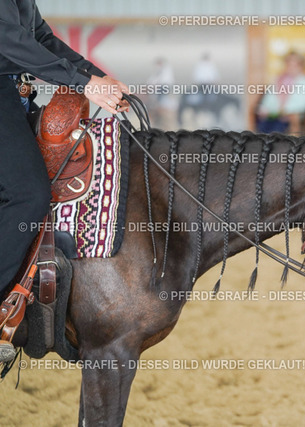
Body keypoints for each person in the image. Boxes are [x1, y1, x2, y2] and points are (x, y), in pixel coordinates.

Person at [0, 0, 129, 362]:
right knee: (28, 195)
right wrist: (83, 83)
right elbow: (9, 40)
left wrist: (97, 78)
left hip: (13, 93)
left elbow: (41, 38)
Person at [256, 51, 305, 134]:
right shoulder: (278, 79)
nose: (291, 67)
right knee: (262, 129)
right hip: (272, 115)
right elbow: (269, 99)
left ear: (301, 66)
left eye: (295, 64)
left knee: (276, 131)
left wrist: (285, 111)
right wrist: (266, 109)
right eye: (289, 63)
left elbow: (303, 105)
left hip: (291, 117)